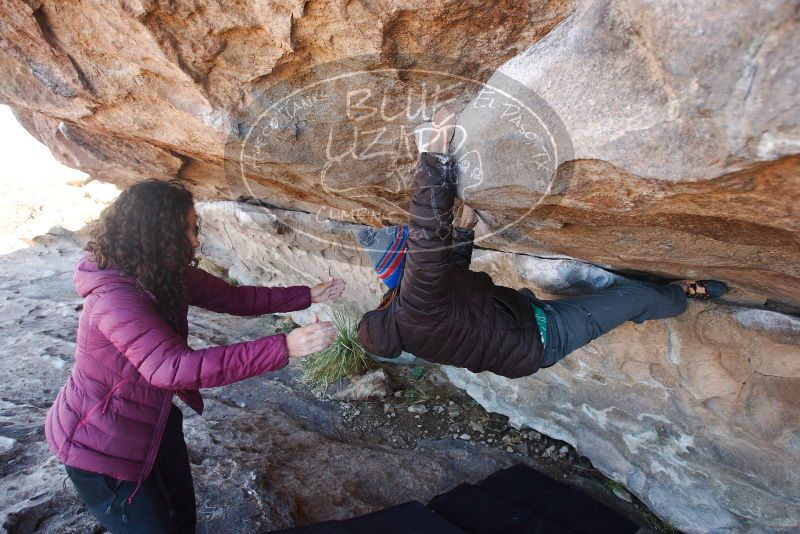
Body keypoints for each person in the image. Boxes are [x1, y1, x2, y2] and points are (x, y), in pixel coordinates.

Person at [45, 179, 345, 533]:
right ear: (154, 235)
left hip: (152, 420)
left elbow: (235, 299)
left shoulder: (162, 272)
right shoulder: (115, 299)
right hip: (98, 447)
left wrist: (304, 296)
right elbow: (174, 368)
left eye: (193, 227)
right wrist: (285, 347)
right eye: (185, 229)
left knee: (183, 519)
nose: (195, 239)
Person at [356, 104, 727, 377]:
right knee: (634, 299)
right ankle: (678, 295)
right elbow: (426, 233)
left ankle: (646, 299)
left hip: (521, 318)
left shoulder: (415, 320)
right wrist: (436, 151)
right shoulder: (414, 305)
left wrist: (465, 233)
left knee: (615, 299)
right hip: (544, 340)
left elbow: (450, 277)